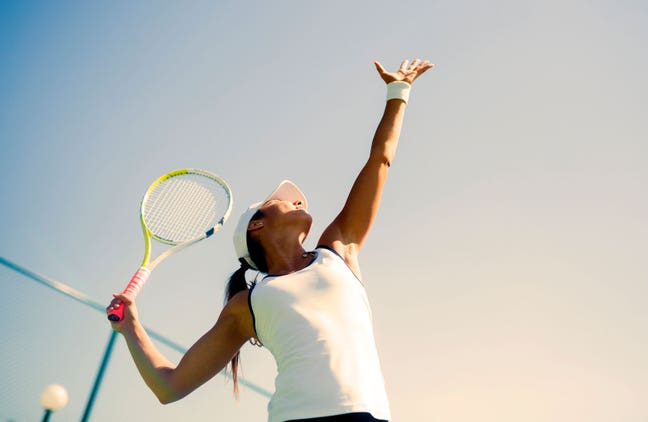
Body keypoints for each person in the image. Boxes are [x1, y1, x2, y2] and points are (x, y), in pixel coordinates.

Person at [107, 58, 434, 422]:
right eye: (282, 199)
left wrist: (397, 93)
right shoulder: (247, 304)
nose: (299, 200)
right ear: (256, 226)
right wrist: (130, 328)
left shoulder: (339, 249)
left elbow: (380, 160)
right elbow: (169, 388)